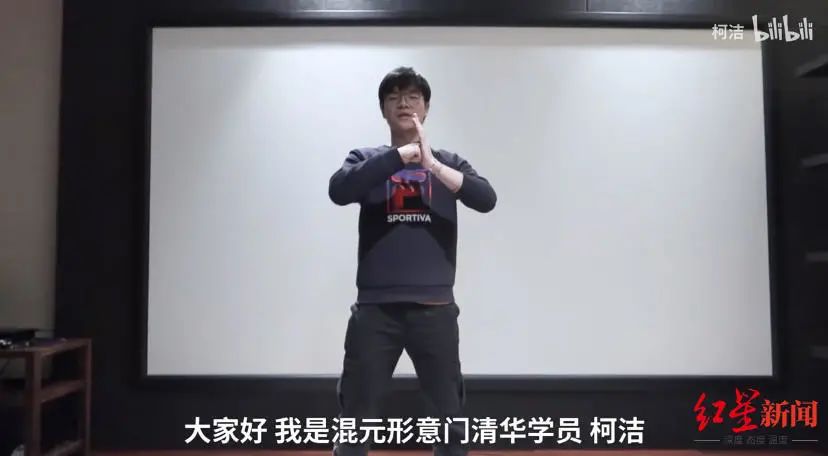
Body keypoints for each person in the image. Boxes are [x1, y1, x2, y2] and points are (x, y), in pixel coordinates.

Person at [328, 66, 497, 456]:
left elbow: (485, 199)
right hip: (375, 311)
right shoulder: (366, 159)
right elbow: (340, 190)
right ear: (383, 110)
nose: (403, 103)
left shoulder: (448, 162)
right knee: (355, 419)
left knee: (449, 420)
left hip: (435, 310)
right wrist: (399, 157)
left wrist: (431, 165)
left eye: (413, 97)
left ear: (426, 108)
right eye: (394, 97)